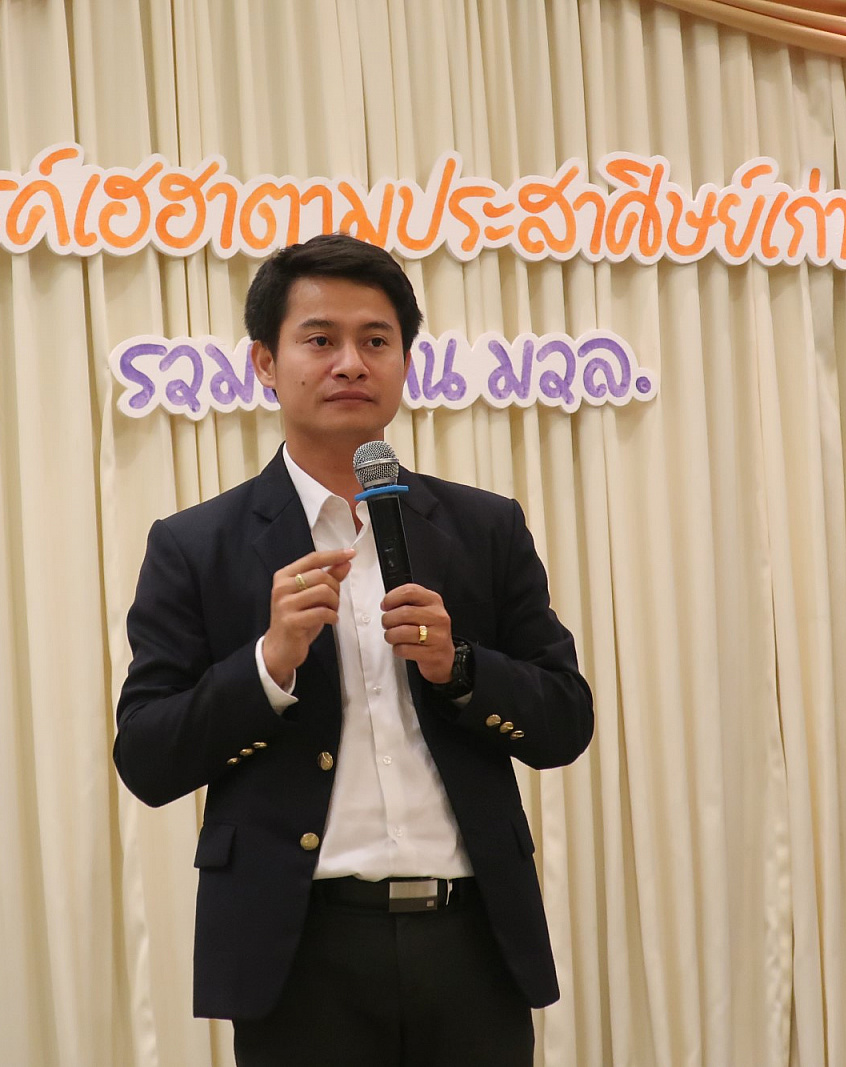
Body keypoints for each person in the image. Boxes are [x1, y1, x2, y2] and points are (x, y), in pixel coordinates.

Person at [114, 233, 593, 1066]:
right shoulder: (196, 545)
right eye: (320, 339)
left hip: (473, 943)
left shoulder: (484, 527)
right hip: (300, 953)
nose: (350, 363)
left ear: (406, 362)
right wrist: (268, 665)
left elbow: (565, 720)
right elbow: (147, 757)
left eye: (376, 340)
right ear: (266, 363)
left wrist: (460, 669)